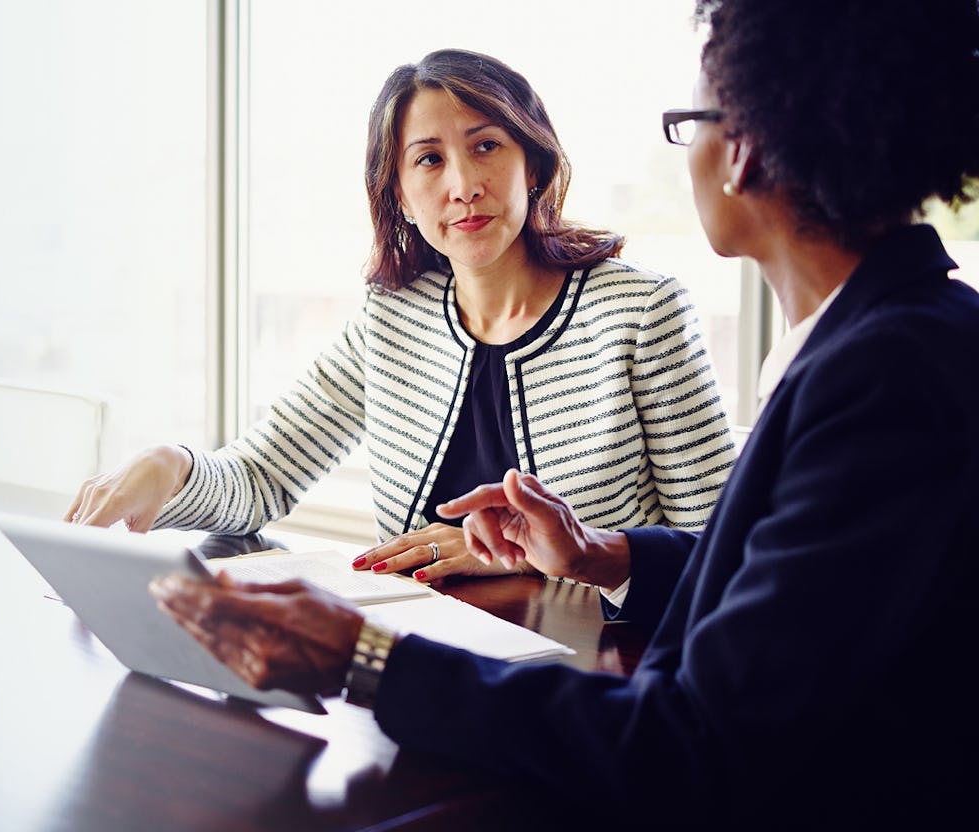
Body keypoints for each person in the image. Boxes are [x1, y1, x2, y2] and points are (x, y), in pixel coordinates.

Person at [150, 0, 979, 827]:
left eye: (691, 122)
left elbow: (700, 744)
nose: (462, 183)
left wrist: (365, 659)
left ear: (746, 152)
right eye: (428, 160)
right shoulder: (894, 343)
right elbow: (777, 589)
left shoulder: (885, 377)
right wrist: (599, 553)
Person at [66, 49, 735, 586]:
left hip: (599, 676)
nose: (462, 185)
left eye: (486, 146)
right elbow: (260, 478)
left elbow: (722, 547)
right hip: (421, 661)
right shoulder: (393, 320)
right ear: (400, 195)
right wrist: (167, 464)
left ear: (532, 163)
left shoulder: (641, 313)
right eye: (429, 160)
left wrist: (521, 553)